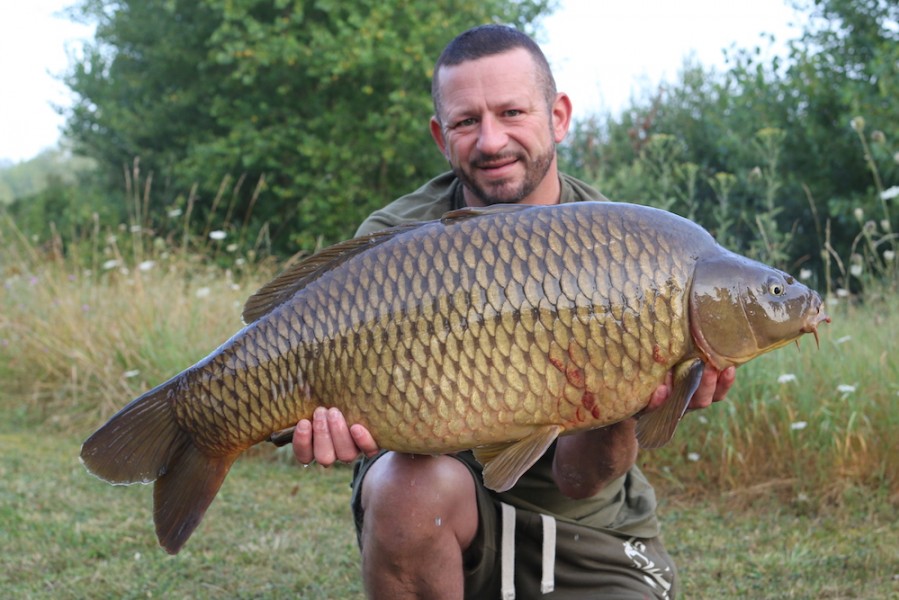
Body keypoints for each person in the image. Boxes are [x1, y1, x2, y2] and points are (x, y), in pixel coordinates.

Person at [291, 24, 735, 599]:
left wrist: (636, 399)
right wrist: (319, 419)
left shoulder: (630, 246)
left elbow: (580, 479)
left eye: (511, 112)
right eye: (466, 121)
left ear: (559, 116)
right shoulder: (394, 240)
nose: (491, 141)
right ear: (439, 136)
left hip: (584, 527)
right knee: (405, 486)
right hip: (439, 512)